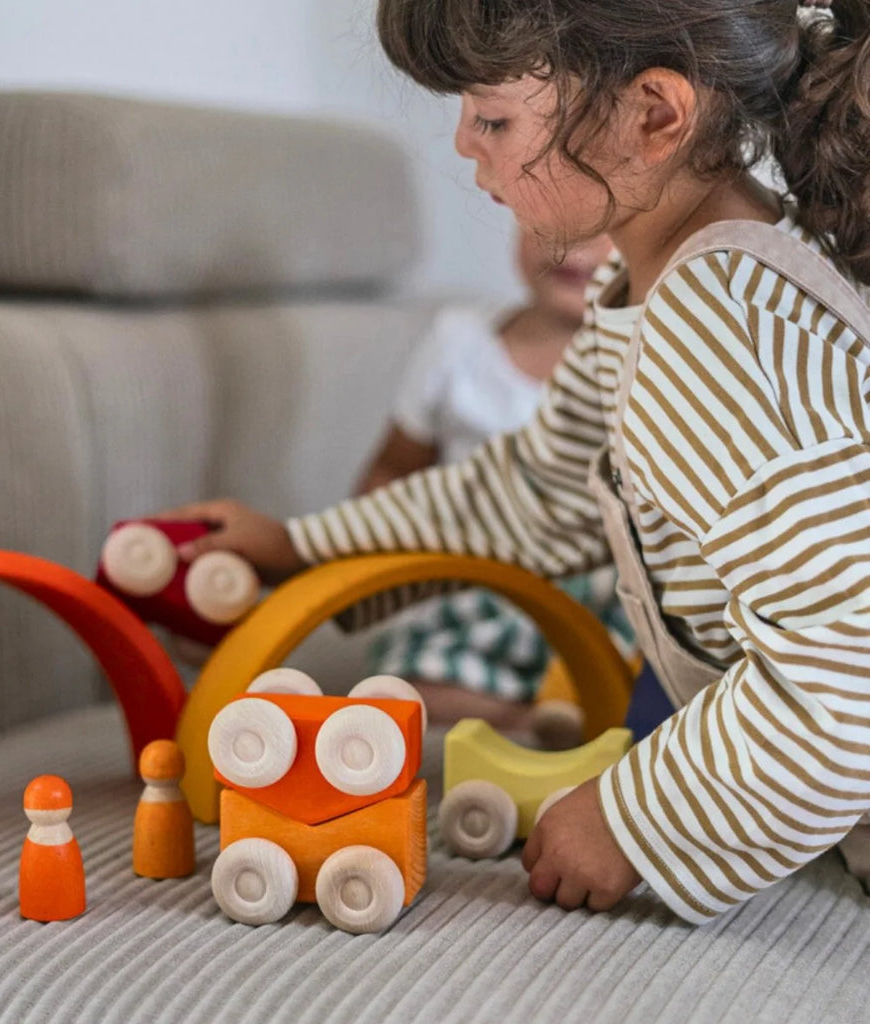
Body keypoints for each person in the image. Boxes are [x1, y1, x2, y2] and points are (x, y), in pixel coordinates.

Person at [162, 0, 870, 924]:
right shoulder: (655, 291)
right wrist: (304, 548)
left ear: (654, 115)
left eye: (493, 118)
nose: (464, 143)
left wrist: (635, 820)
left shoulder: (719, 334)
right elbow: (539, 491)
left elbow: (847, 675)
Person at [353, 226, 629, 749]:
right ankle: (534, 717)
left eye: (607, 227)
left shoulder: (651, 359)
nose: (573, 244)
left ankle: (572, 707)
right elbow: (392, 468)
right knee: (396, 689)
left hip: (603, 594)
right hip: (483, 584)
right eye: (548, 218)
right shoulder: (460, 343)